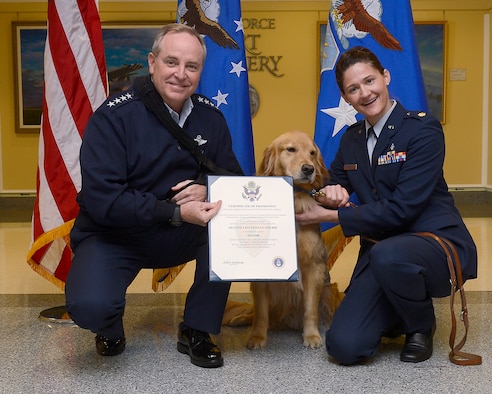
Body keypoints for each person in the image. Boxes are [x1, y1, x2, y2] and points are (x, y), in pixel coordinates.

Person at [65, 23, 243, 368]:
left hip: (180, 233)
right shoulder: (114, 118)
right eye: (171, 62)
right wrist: (174, 213)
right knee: (90, 307)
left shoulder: (211, 118)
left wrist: (210, 186)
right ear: (152, 62)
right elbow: (104, 200)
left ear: (200, 71)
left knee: (227, 226)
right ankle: (110, 325)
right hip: (115, 234)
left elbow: (232, 178)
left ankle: (196, 328)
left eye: (191, 66)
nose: (180, 74)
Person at [296, 46, 477, 365]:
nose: (364, 93)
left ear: (385, 76)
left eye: (369, 81)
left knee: (387, 253)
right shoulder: (351, 139)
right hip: (382, 253)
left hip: (436, 247)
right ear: (346, 97)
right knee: (343, 346)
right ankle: (395, 311)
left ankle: (420, 324)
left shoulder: (422, 130)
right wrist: (327, 193)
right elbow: (325, 185)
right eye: (353, 89)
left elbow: (402, 209)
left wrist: (330, 214)